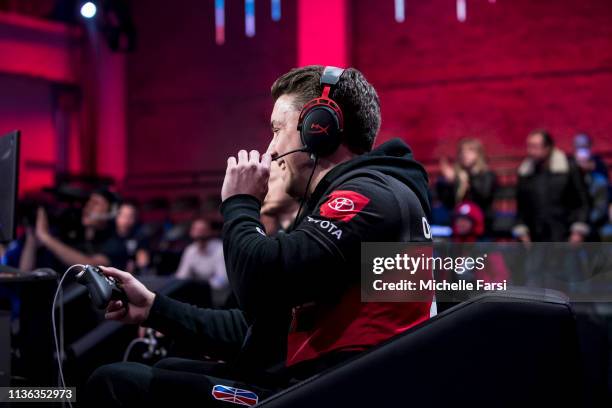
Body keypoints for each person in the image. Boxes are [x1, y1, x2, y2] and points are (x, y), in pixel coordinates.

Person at [86, 66, 433, 407]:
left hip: (338, 393)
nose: (270, 151)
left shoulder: (370, 196)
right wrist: (154, 309)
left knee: (119, 383)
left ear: (319, 129)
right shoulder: (367, 196)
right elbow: (262, 331)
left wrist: (238, 203)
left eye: (277, 130)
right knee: (166, 368)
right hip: (322, 382)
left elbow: (259, 284)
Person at [19, 188, 131, 271]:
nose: (88, 206)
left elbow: (92, 268)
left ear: (111, 212)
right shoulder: (70, 236)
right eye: (88, 202)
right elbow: (25, 271)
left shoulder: (116, 244)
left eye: (96, 203)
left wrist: (45, 237)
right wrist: (32, 236)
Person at [513, 130, 590, 243]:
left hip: (564, 234)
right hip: (537, 237)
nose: (530, 151)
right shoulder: (525, 173)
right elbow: (521, 207)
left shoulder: (568, 169)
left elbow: (583, 202)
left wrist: (578, 231)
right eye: (529, 146)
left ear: (547, 148)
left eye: (535, 146)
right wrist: (522, 231)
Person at [437, 138, 497, 236]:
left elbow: (484, 196)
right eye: (462, 151)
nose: (465, 154)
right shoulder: (457, 176)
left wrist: (468, 180)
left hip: (482, 224)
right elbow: (447, 203)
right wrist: (448, 183)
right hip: (458, 224)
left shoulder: (487, 175)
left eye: (470, 150)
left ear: (479, 154)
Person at [175, 217, 227, 290]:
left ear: (210, 232)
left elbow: (223, 279)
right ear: (191, 233)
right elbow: (182, 275)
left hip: (217, 293)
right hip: (198, 291)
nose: (199, 234)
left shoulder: (219, 249)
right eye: (196, 230)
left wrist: (202, 286)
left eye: (202, 230)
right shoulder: (190, 250)